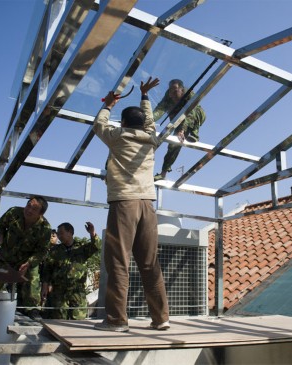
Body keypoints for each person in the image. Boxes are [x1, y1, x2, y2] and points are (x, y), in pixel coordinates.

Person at [92, 77, 170, 332]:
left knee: (118, 262)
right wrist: (145, 97)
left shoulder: (118, 136)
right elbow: (150, 123)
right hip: (148, 204)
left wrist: (109, 104)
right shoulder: (151, 140)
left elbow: (98, 124)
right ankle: (161, 319)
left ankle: (117, 321)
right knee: (150, 263)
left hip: (124, 203)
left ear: (124, 122)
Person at [0, 196, 52, 320]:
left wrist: (29, 262)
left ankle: (32, 311)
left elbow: (42, 251)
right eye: (28, 205)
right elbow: (0, 225)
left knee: (32, 280)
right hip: (5, 259)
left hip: (26, 262)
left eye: (34, 209)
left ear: (41, 213)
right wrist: (0, 238)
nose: (29, 210)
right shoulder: (14, 212)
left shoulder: (45, 228)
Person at [40, 222, 101, 320]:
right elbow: (47, 270)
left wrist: (92, 233)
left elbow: (96, 246)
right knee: (58, 320)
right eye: (58, 234)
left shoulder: (81, 247)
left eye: (61, 233)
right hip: (59, 292)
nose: (59, 236)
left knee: (78, 321)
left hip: (77, 292)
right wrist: (45, 286)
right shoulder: (55, 251)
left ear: (70, 232)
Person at [153, 79, 206, 180]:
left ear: (182, 90)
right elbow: (159, 110)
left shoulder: (189, 94)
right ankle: (163, 173)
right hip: (177, 120)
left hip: (194, 116)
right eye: (170, 91)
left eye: (175, 91)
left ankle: (195, 133)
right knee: (173, 145)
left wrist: (182, 130)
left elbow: (190, 113)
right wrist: (147, 120)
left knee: (195, 112)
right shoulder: (168, 96)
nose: (172, 94)